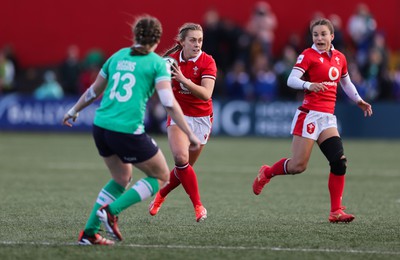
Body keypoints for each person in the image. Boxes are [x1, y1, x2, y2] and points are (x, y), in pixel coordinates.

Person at [62, 15, 200, 245]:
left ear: (135, 36)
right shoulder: (157, 63)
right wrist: (191, 133)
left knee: (121, 177)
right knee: (161, 176)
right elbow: (168, 103)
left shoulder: (117, 57)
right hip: (125, 130)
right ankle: (110, 211)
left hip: (101, 127)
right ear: (157, 40)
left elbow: (94, 91)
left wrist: (74, 110)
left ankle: (89, 233)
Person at [252, 18, 373, 223]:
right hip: (309, 115)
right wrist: (309, 85)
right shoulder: (307, 55)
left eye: (323, 34)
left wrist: (359, 101)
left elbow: (346, 82)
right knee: (298, 166)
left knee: (339, 162)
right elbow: (291, 80)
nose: (319, 38)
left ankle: (336, 211)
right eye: (315, 34)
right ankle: (267, 172)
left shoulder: (339, 58)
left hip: (327, 119)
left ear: (332, 36)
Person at [148, 23, 217, 222]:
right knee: (180, 158)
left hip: (202, 119)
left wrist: (183, 79)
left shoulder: (207, 62)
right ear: (182, 42)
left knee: (183, 169)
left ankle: (161, 194)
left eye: (200, 40)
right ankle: (199, 207)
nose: (197, 44)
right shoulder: (169, 62)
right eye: (193, 40)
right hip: (178, 115)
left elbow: (206, 94)